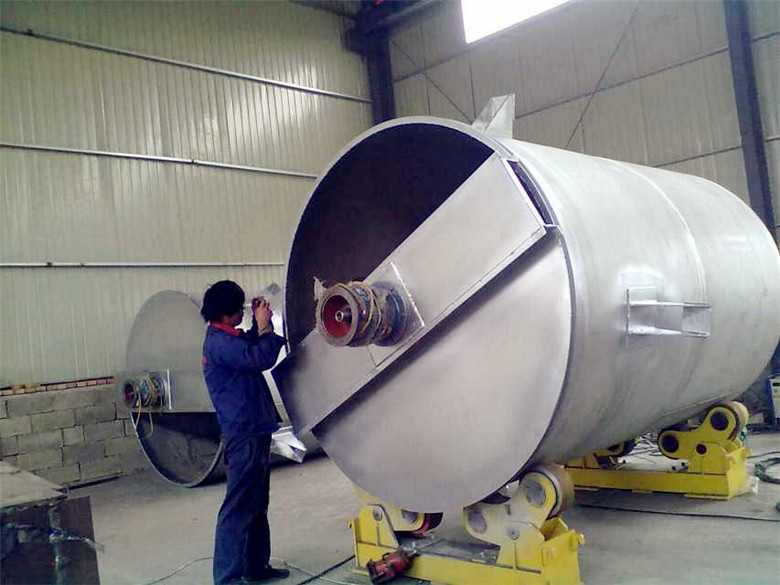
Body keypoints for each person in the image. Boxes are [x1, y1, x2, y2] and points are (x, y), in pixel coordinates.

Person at [200, 280, 290, 585]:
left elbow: (247, 347)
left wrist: (258, 326)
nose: (242, 312)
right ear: (225, 313)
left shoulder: (226, 338)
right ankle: (227, 579)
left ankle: (255, 566)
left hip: (254, 429)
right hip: (244, 434)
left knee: (257, 504)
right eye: (239, 309)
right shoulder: (218, 343)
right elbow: (257, 358)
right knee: (238, 507)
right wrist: (264, 328)